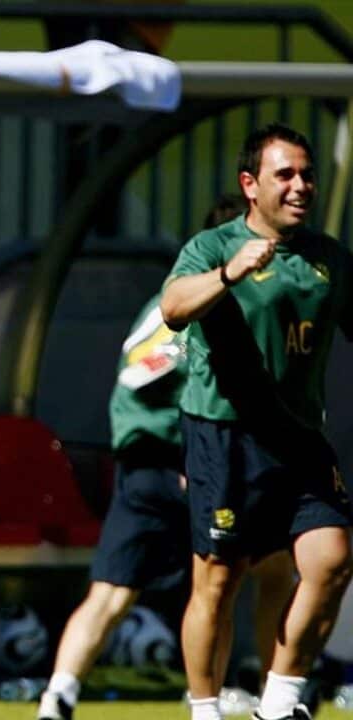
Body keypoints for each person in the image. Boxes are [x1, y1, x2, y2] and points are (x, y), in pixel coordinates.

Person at [36, 195, 296, 720]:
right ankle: (252, 696)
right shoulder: (195, 299)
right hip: (183, 462)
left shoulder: (193, 297)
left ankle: (56, 699)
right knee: (228, 581)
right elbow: (141, 367)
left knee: (118, 591)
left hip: (153, 464)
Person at [160, 123, 353, 720]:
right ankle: (205, 709)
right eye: (285, 175)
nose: (301, 186)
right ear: (251, 184)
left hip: (298, 439)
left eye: (307, 174)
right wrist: (228, 275)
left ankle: (281, 700)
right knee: (218, 583)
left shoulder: (327, 259)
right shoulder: (214, 247)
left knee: (333, 558)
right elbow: (171, 309)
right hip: (225, 437)